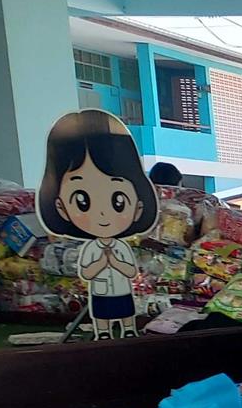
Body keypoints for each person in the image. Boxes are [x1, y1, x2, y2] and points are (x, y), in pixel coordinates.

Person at [37, 109, 159, 342]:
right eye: (82, 201)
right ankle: (102, 332)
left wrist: (116, 263)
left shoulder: (121, 247)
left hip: (122, 289)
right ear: (60, 207)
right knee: (102, 313)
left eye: (118, 201)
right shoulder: (92, 248)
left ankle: (128, 329)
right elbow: (86, 272)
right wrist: (102, 263)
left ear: (138, 205)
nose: (102, 214)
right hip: (100, 291)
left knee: (125, 311)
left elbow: (131, 271)